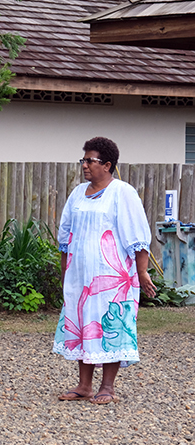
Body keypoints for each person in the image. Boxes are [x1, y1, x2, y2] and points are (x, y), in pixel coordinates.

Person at [55, 137, 156, 405]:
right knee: (83, 325)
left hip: (113, 277)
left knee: (111, 325)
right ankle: (84, 385)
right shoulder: (77, 193)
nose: (85, 165)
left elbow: (138, 237)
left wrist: (142, 272)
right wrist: (65, 271)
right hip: (80, 277)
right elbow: (65, 236)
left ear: (108, 165)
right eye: (83, 160)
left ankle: (107, 387)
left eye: (91, 160)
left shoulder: (123, 193)